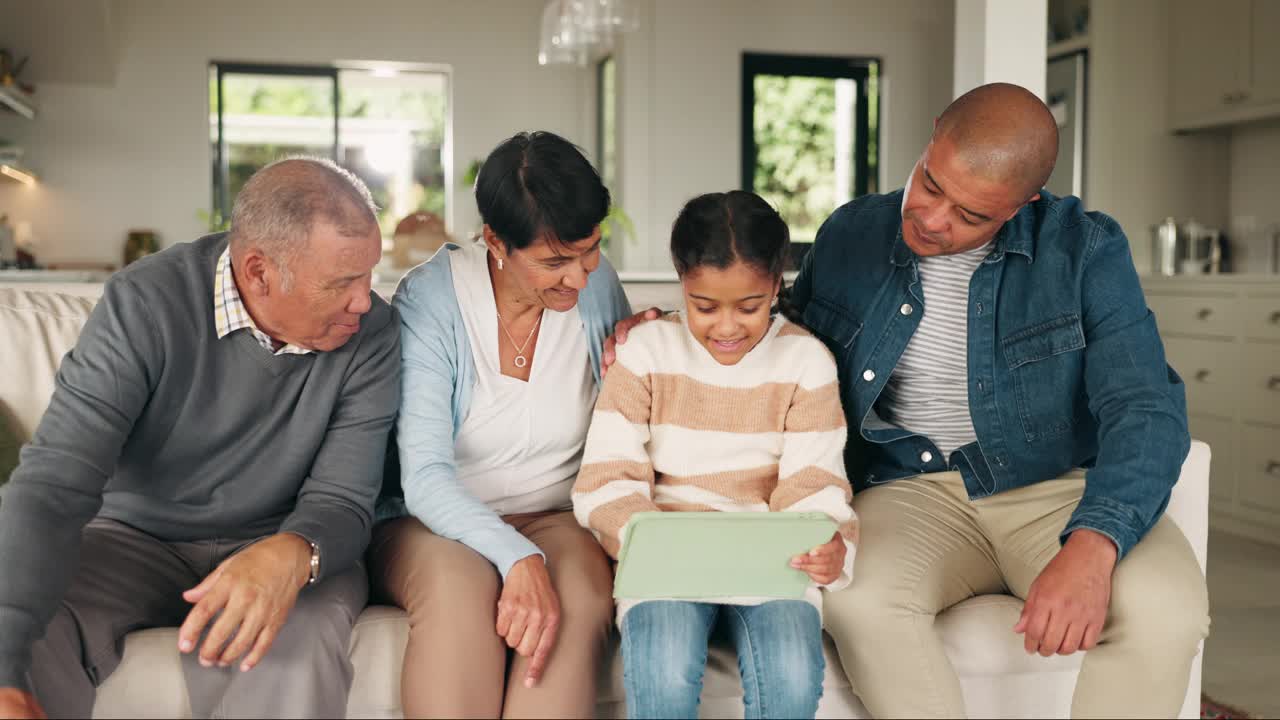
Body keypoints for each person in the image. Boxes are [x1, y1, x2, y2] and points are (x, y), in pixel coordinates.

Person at [606, 83, 1211, 718]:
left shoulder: (1083, 250)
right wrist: (673, 331)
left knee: (1166, 610)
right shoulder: (851, 234)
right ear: (930, 143)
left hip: (1054, 489)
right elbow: (778, 335)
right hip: (911, 490)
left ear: (1023, 204)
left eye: (970, 215)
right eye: (930, 183)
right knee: (856, 599)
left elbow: (1146, 407)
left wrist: (1093, 546)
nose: (931, 218)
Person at [0, 157, 400, 719]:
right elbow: (55, 484)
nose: (365, 300)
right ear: (259, 271)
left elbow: (343, 500)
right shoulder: (144, 304)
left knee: (295, 644)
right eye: (341, 283)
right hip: (132, 539)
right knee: (27, 638)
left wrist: (291, 554)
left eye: (370, 275)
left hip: (279, 537)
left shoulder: (372, 334)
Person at [369, 131, 632, 719]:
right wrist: (516, 557)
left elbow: (626, 412)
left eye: (590, 250)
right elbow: (426, 477)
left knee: (582, 598)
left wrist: (646, 342)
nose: (580, 278)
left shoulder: (594, 287)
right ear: (495, 241)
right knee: (461, 596)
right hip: (434, 519)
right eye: (554, 262)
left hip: (558, 514)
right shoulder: (432, 301)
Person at [574, 191, 857, 720]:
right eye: (705, 307)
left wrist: (829, 545)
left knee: (793, 676)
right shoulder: (646, 351)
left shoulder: (806, 361)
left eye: (749, 307)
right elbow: (607, 478)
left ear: (775, 284)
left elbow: (815, 484)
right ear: (682, 281)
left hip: (772, 558)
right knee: (661, 671)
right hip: (665, 554)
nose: (726, 327)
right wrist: (643, 537)